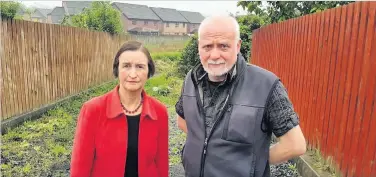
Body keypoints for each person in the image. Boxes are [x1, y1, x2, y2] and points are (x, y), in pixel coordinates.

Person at [175, 15, 306, 177]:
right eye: (207, 47)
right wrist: (208, 145)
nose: (214, 55)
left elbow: (295, 144)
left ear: (237, 47)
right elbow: (182, 121)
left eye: (223, 46)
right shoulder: (191, 79)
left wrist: (251, 164)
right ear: (199, 47)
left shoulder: (266, 84)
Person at [70, 41, 169, 177]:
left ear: (149, 71)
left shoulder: (160, 111)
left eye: (140, 67)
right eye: (126, 66)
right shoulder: (92, 110)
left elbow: (162, 163)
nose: (133, 74)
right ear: (117, 69)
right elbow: (80, 168)